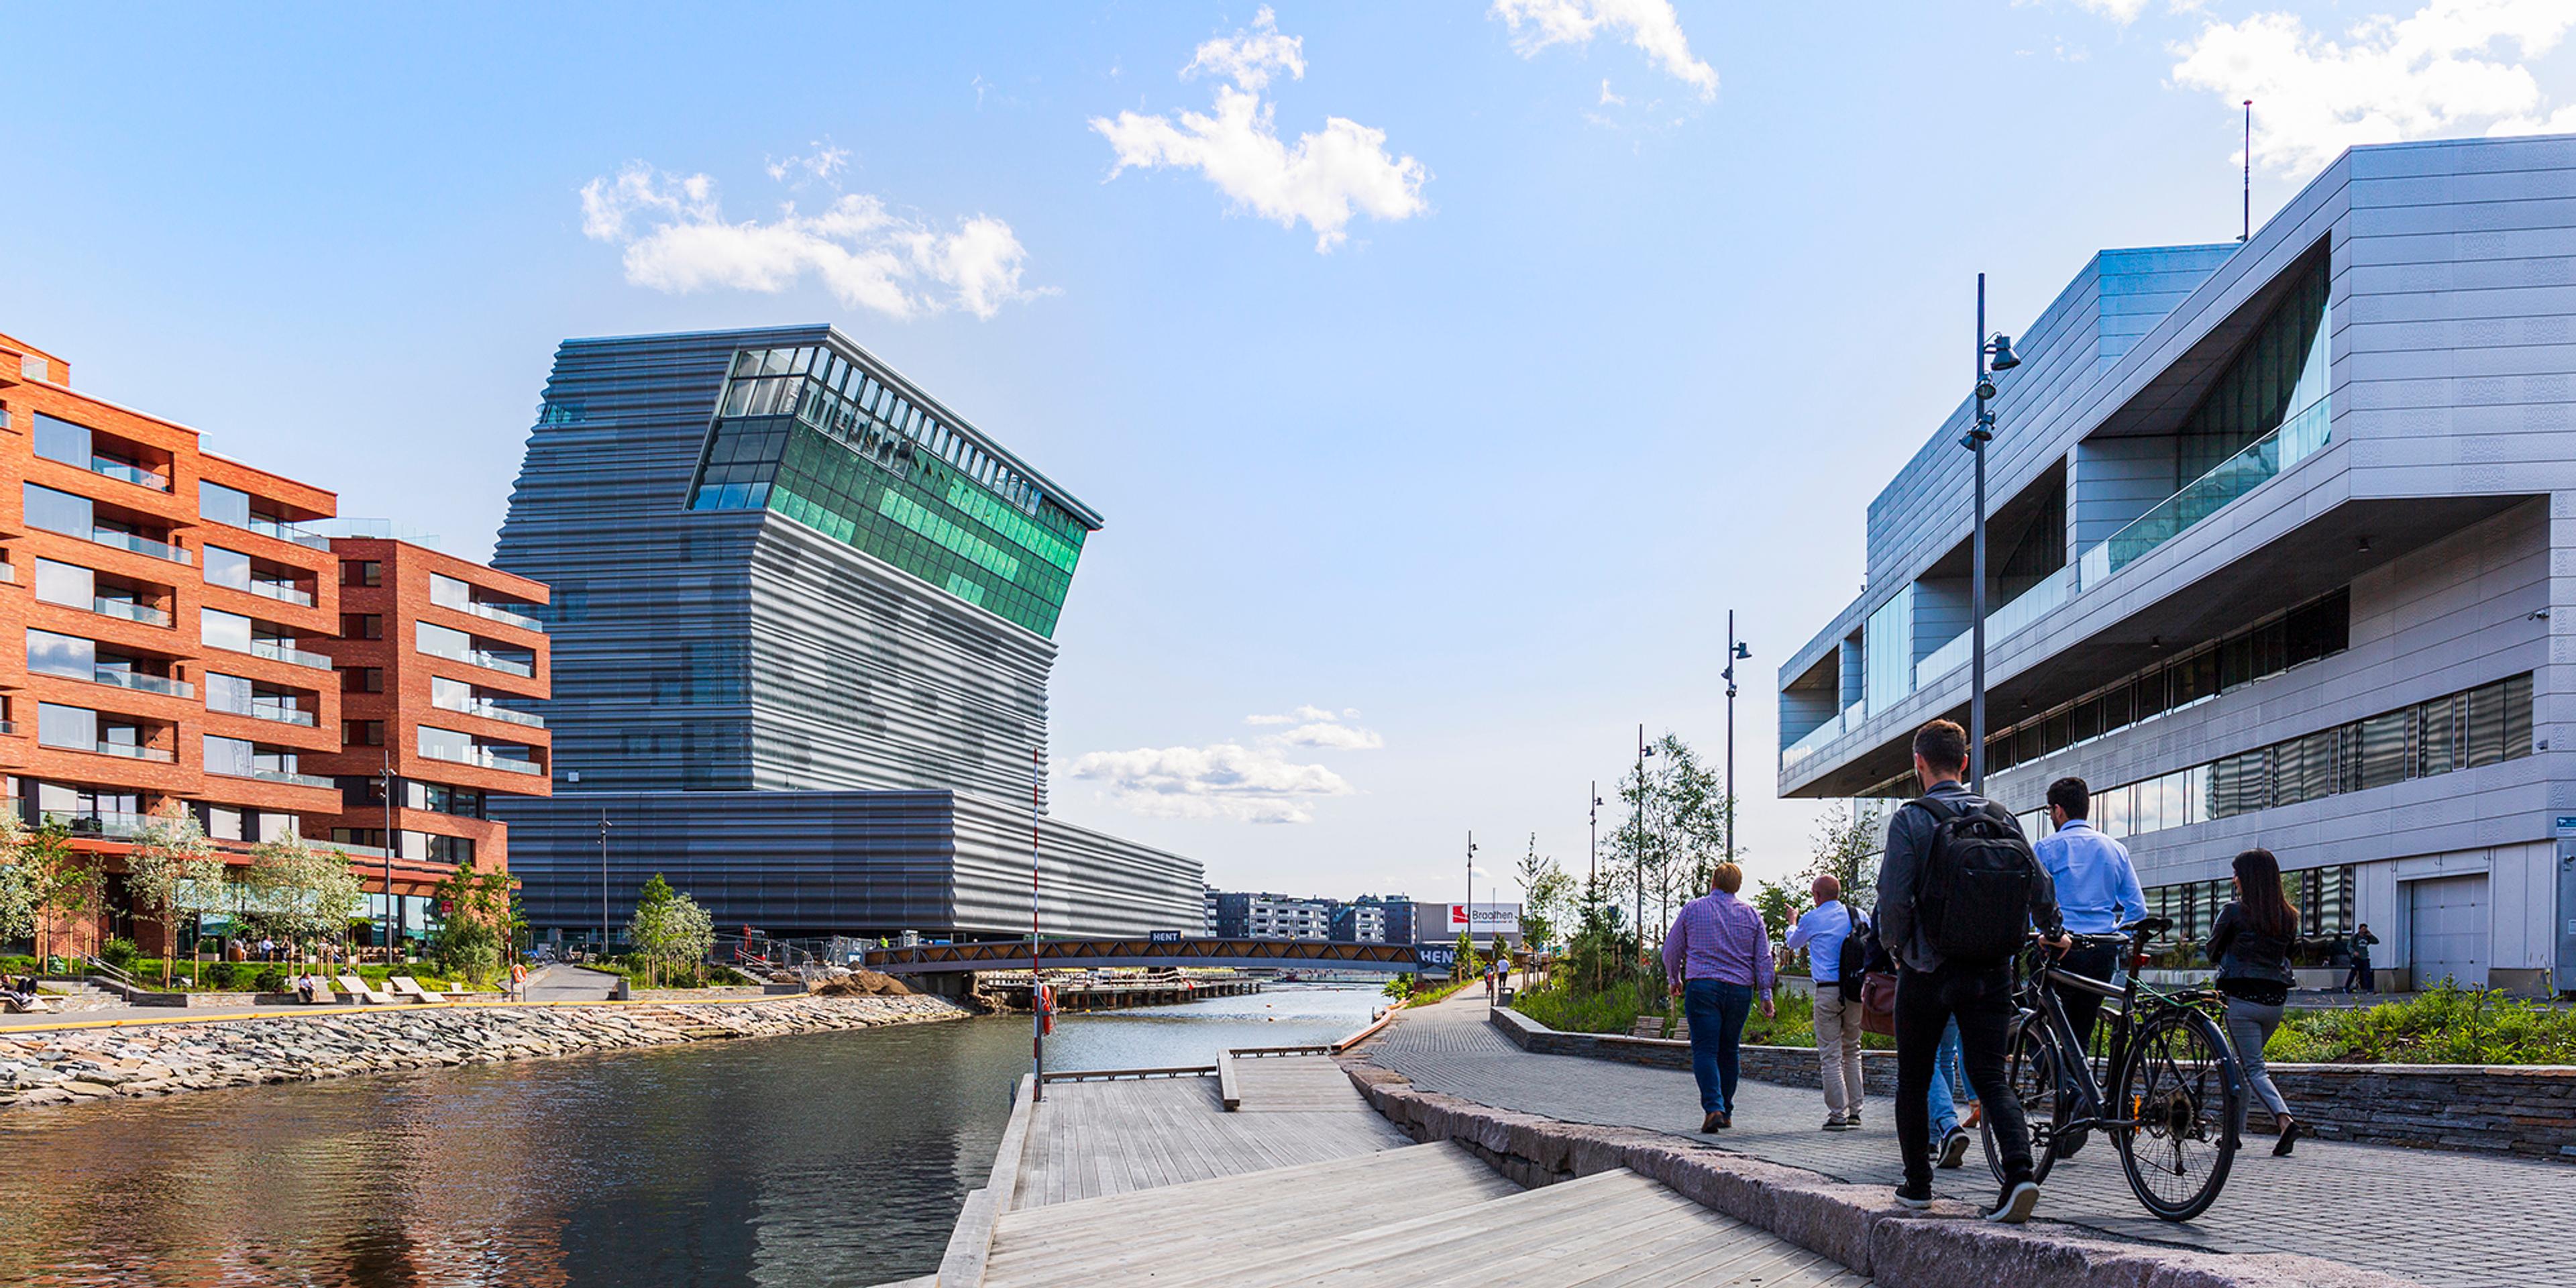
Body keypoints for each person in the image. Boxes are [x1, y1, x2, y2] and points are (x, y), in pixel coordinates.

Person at [1876, 718, 2065, 1224]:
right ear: (1964, 763)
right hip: (1991, 968)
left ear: (1919, 764)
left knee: (1914, 1079)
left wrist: (1896, 950)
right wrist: (2052, 929)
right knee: (1990, 1077)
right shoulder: (2003, 816)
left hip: (1927, 966)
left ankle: (1918, 1187)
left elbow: (1893, 901)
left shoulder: (1912, 819)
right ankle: (2020, 1175)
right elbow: (2040, 887)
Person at [2032, 777, 2145, 1052]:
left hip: (2059, 949)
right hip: (2102, 952)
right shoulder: (2115, 849)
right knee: (2081, 1033)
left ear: (2058, 810)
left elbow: (2030, 904)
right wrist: (2117, 935)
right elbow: (2138, 909)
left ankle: (2061, 1085)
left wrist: (2033, 936)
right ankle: (2078, 1092)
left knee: (2036, 1029)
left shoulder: (2046, 849)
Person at [1664, 861, 1776, 1133]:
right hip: (1739, 991)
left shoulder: (1694, 909)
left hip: (1703, 987)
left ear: (1713, 882)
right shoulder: (1751, 915)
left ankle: (1713, 1108)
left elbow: (1671, 949)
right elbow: (1763, 958)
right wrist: (1765, 994)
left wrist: (1674, 978)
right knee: (1729, 1050)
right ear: (1737, 886)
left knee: (1705, 1050)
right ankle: (1725, 1111)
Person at [2210, 848, 2306, 1156]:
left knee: (2253, 1068)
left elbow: (2212, 951)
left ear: (2247, 878)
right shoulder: (2289, 916)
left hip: (2241, 1002)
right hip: (2275, 1004)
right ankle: (2232, 1135)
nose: (2233, 879)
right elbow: (2289, 955)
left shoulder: (2234, 911)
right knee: (2243, 1067)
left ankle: (2284, 1120)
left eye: (2236, 873)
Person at [1785, 875, 1865, 1131]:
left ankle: (1837, 1116)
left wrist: (1792, 922)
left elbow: (1793, 943)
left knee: (1831, 1055)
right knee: (1853, 1050)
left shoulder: (1812, 918)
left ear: (1817, 895)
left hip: (1828, 992)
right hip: (1856, 991)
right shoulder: (1859, 915)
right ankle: (1856, 1111)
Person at [1925, 1019, 1981, 1167]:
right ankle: (1936, 1139)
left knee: (1928, 1058)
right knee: (1946, 1058)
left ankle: (1947, 1127)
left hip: (1929, 999)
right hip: (1958, 1000)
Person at [2344, 924, 2379, 994]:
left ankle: (2370, 989)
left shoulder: (2367, 938)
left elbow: (2376, 942)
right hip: (2357, 958)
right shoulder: (2355, 937)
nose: (2364, 931)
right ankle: (2346, 987)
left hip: (2365, 958)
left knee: (2367, 973)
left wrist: (2370, 935)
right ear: (2360, 929)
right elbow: (2349, 946)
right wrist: (2354, 952)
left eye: (2365, 929)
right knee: (2353, 973)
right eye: (2363, 929)